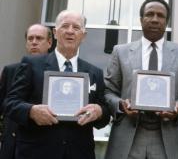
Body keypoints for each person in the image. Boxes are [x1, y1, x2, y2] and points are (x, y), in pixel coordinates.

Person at [4, 10, 110, 159]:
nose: (70, 31)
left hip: (79, 153)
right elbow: (10, 103)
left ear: (83, 36)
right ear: (55, 33)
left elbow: (105, 114)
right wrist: (31, 111)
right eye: (65, 26)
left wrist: (99, 111)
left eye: (76, 27)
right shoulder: (31, 64)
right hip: (36, 153)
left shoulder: (94, 72)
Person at [104, 0, 178, 159]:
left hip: (168, 138)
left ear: (167, 22)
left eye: (160, 16)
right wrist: (121, 105)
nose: (155, 19)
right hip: (128, 138)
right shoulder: (120, 51)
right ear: (141, 19)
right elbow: (108, 91)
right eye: (150, 14)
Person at [0, 24, 52, 159]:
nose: (34, 42)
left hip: (44, 142)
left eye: (39, 38)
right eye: (30, 39)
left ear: (49, 43)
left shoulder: (56, 72)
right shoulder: (10, 70)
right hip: (13, 143)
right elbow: (4, 105)